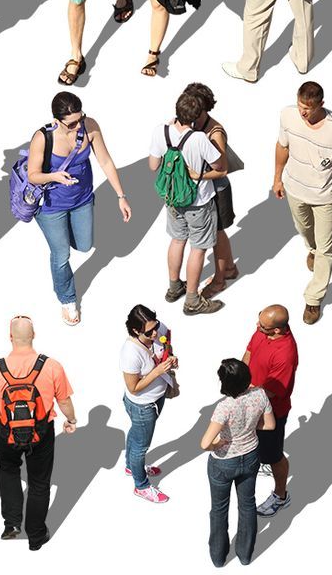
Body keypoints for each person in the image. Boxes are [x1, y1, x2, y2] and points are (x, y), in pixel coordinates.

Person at [27, 91, 132, 325]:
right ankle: (67, 299)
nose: (77, 126)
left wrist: (120, 196)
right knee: (61, 254)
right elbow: (33, 175)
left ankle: (66, 238)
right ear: (57, 121)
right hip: (51, 206)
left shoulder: (90, 126)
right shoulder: (42, 138)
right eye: (71, 123)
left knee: (84, 246)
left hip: (82, 199)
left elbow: (105, 160)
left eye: (80, 118)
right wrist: (54, 176)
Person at [0, 316, 77, 551]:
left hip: (6, 431)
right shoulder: (51, 366)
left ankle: (11, 524)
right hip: (41, 432)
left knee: (8, 471)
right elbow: (63, 400)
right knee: (39, 483)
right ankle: (36, 535)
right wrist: (71, 420)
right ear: (34, 335)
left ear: (10, 337)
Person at [274, 81, 332, 323]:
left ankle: (314, 298)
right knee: (304, 230)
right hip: (295, 189)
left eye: (308, 108)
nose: (303, 112)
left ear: (321, 104)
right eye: (300, 106)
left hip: (324, 197)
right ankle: (312, 250)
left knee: (327, 248)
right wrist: (277, 178)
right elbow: (281, 147)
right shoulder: (288, 115)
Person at [148, 92, 226, 315]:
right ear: (196, 115)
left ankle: (174, 287)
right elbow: (219, 165)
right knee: (198, 248)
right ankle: (192, 300)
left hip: (172, 199)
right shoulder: (199, 138)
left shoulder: (160, 131)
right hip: (198, 201)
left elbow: (153, 166)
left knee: (177, 240)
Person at [200, 359, 276, 567]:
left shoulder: (224, 407)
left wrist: (218, 444)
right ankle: (244, 555)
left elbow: (205, 443)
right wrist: (250, 427)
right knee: (247, 505)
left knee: (219, 509)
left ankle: (218, 557)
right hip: (251, 456)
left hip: (223, 462)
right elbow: (270, 425)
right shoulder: (260, 394)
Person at [242, 305, 298, 518]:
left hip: (271, 412)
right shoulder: (263, 329)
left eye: (263, 326)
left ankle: (281, 496)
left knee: (274, 456)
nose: (257, 327)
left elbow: (270, 393)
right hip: (251, 401)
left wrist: (243, 396)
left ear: (276, 330)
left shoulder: (285, 354)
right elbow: (248, 352)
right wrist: (239, 379)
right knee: (259, 449)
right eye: (259, 322)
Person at [184, 83, 239, 299]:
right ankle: (230, 269)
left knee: (216, 234)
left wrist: (196, 176)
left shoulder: (215, 132)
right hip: (206, 189)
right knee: (218, 233)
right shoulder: (193, 124)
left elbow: (222, 170)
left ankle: (219, 280)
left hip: (217, 189)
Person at [121, 304, 177, 503]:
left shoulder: (158, 329)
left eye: (156, 326)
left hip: (155, 398)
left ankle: (130, 465)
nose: (155, 332)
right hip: (142, 406)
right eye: (149, 331)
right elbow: (133, 387)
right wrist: (158, 371)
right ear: (136, 330)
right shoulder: (130, 352)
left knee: (135, 435)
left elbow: (167, 345)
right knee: (140, 448)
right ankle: (141, 485)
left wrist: (171, 359)